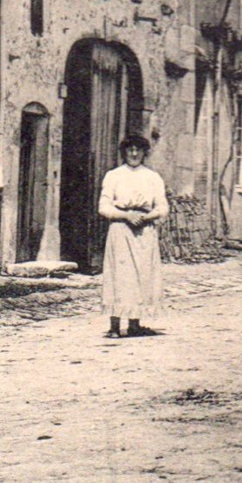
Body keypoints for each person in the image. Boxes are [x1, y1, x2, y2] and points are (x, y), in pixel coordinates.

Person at [98, 135, 169, 338]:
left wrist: (147, 216)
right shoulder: (113, 176)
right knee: (119, 276)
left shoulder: (153, 177)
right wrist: (126, 215)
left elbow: (163, 206)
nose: (134, 154)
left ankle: (134, 324)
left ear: (145, 153)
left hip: (144, 230)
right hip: (121, 228)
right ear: (124, 152)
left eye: (138, 150)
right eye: (130, 150)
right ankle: (114, 325)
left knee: (141, 276)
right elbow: (103, 207)